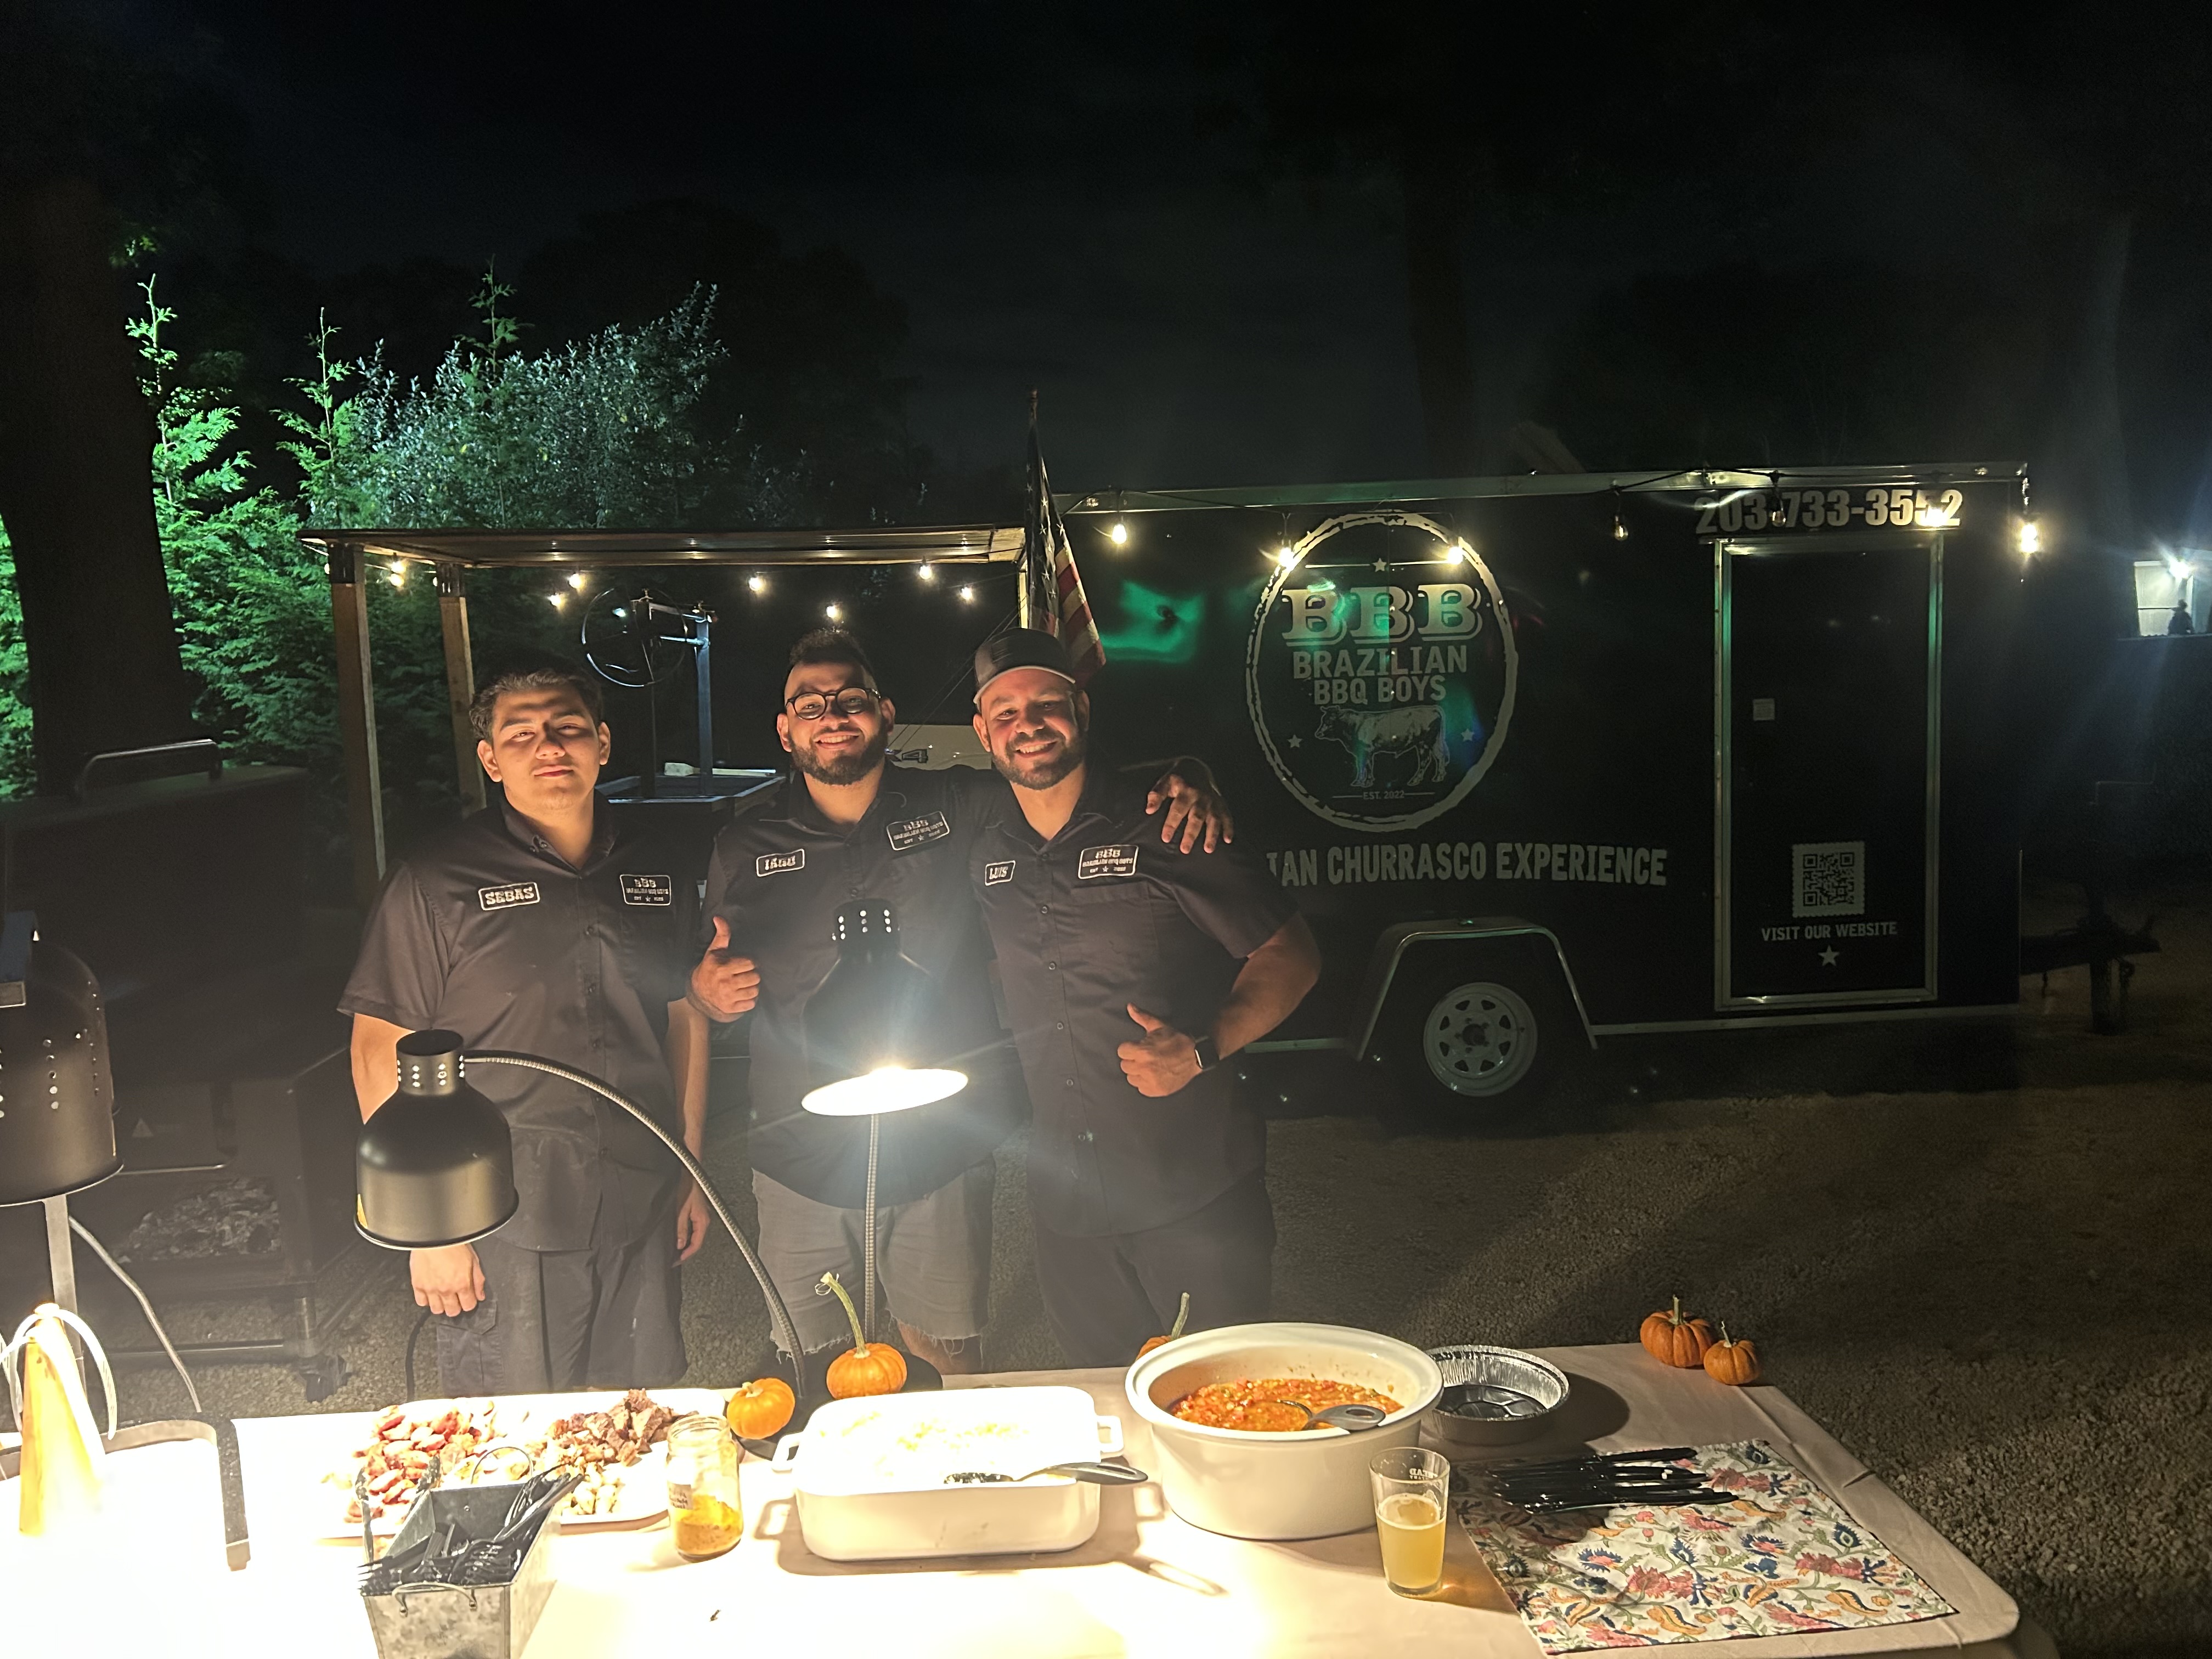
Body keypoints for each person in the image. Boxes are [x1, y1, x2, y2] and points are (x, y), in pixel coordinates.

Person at [687, 628, 1228, 1377]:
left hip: (937, 1145)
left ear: (884, 711)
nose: (832, 714)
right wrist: (708, 994)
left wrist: (1187, 772)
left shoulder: (960, 806)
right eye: (809, 704)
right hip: (798, 1153)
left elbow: (1061, 778)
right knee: (814, 1366)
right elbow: (707, 984)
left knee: (947, 1366)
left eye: (850, 698)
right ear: (785, 728)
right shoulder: (743, 846)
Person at [341, 663, 712, 1392]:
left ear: (602, 742)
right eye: (521, 734)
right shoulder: (436, 881)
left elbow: (682, 1018)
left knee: (640, 1417)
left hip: (638, 1190)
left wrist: (692, 1169)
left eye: (568, 726)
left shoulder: (658, 868)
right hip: (502, 1211)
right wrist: (431, 1228)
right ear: (490, 758)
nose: (549, 745)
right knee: (509, 1441)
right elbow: (376, 1052)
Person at [965, 630, 1322, 1366]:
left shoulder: (1169, 821)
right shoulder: (984, 846)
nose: (1026, 724)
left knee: (1224, 1405)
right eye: (1004, 712)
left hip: (1190, 1193)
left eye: (1045, 704)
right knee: (1105, 1410)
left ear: (1081, 708)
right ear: (981, 732)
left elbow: (1291, 954)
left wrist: (1201, 1048)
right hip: (1067, 1206)